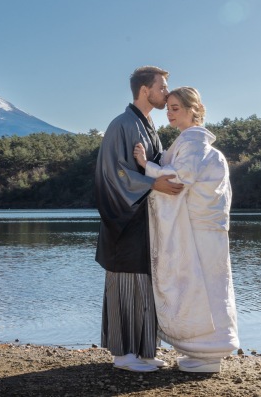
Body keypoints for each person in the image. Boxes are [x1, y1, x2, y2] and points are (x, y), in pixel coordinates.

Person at [133, 86, 239, 373]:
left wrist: (145, 167)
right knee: (210, 286)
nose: (169, 112)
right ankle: (207, 350)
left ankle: (206, 352)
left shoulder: (193, 142)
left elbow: (180, 179)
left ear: (194, 109)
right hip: (206, 229)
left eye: (176, 107)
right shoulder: (190, 141)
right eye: (168, 107)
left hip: (198, 231)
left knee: (199, 285)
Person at [94, 66, 185, 373]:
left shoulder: (146, 125)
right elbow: (113, 173)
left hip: (144, 220)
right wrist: (152, 183)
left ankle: (145, 350)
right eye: (162, 88)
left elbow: (153, 164)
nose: (166, 93)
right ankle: (122, 354)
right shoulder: (121, 124)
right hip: (125, 220)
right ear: (145, 90)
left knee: (146, 283)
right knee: (126, 282)